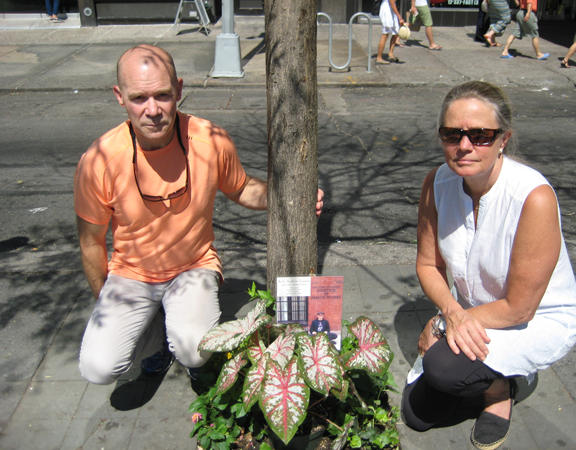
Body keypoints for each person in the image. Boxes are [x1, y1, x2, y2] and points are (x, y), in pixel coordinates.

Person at [74, 45, 324, 385]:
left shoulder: (210, 139)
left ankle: (175, 330)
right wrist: (106, 305)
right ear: (120, 97)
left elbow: (241, 188)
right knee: (98, 368)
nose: (153, 110)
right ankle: (154, 341)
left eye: (162, 95)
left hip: (193, 265)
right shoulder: (99, 159)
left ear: (179, 89)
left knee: (195, 350)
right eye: (139, 98)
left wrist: (293, 197)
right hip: (130, 273)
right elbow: (90, 242)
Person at [401, 81, 576, 450]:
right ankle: (481, 374)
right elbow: (427, 264)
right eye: (452, 134)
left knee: (443, 369)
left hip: (533, 318)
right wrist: (449, 312)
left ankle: (500, 389)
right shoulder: (437, 182)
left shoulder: (533, 196)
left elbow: (520, 307)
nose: (464, 146)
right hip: (470, 310)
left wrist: (440, 323)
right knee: (415, 415)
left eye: (481, 135)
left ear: (504, 139)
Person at [376, 0, 406, 64]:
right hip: (387, 12)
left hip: (390, 11)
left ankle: (391, 54)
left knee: (396, 33)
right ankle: (379, 58)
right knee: (385, 35)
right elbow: (392, 4)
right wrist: (400, 17)